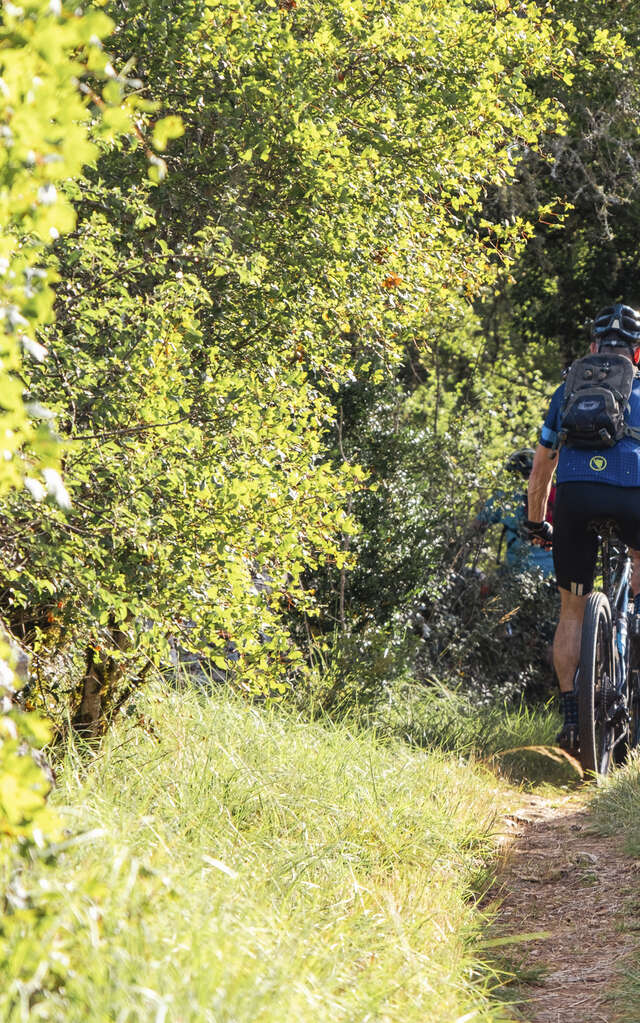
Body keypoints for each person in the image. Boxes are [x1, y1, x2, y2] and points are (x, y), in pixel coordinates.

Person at [526, 303, 640, 750]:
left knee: (572, 610)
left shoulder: (567, 391)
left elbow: (541, 469)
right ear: (637, 353)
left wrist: (537, 520)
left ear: (593, 347)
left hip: (574, 501)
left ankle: (573, 719)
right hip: (634, 498)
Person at [475, 448, 555, 577]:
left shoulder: (503, 496)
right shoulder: (551, 494)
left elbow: (477, 526)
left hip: (519, 571)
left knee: (490, 581)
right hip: (555, 571)